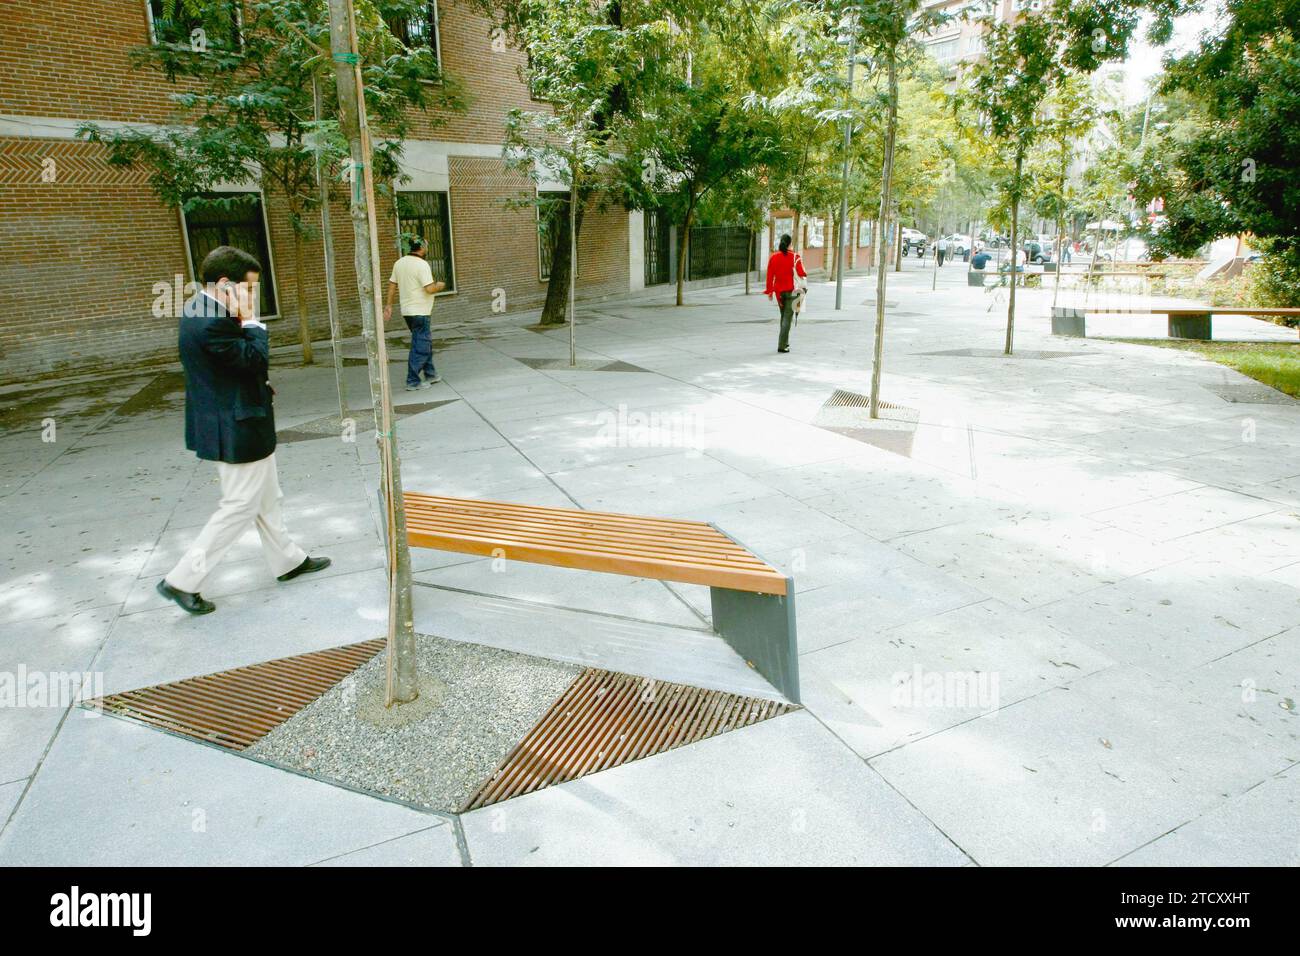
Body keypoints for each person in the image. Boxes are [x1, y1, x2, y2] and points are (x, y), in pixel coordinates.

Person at [157, 246, 330, 615]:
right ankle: (182, 580)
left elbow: (229, 370)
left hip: (237, 419)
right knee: (238, 507)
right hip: (235, 428)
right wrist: (252, 321)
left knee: (268, 497)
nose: (252, 298)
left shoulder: (201, 309)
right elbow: (253, 357)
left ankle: (287, 560)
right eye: (248, 289)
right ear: (224, 283)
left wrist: (258, 385)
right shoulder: (211, 320)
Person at [383, 237, 445, 391]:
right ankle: (413, 381)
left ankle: (431, 374)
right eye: (427, 246)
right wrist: (440, 285)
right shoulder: (422, 264)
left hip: (407, 311)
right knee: (421, 346)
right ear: (422, 248)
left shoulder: (399, 263)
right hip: (420, 311)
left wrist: (389, 305)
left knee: (423, 342)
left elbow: (392, 285)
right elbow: (429, 289)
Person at [763, 234, 807, 354]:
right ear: (790, 244)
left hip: (779, 293)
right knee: (787, 318)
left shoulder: (773, 257)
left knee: (784, 317)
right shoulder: (795, 257)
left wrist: (769, 291)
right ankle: (782, 346)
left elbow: (769, 276)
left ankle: (785, 342)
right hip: (793, 291)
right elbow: (802, 272)